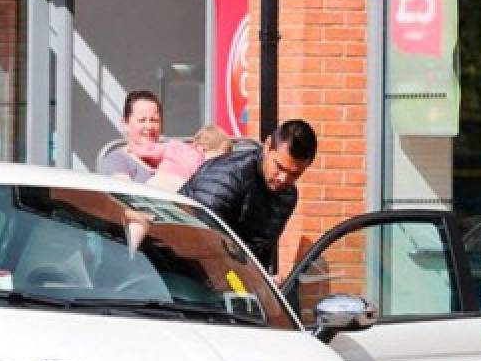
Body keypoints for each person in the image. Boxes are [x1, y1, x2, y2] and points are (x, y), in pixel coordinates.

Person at [179, 119, 317, 281]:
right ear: (267, 146)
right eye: (279, 167)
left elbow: (260, 253)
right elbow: (198, 243)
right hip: (179, 273)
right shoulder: (225, 177)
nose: (283, 178)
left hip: (226, 279)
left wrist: (262, 285)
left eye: (295, 174)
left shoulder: (287, 196)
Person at [98, 90, 164, 184]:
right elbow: (126, 196)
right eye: (142, 120)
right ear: (125, 124)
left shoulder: (171, 157)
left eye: (154, 120)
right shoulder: (116, 161)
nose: (149, 126)